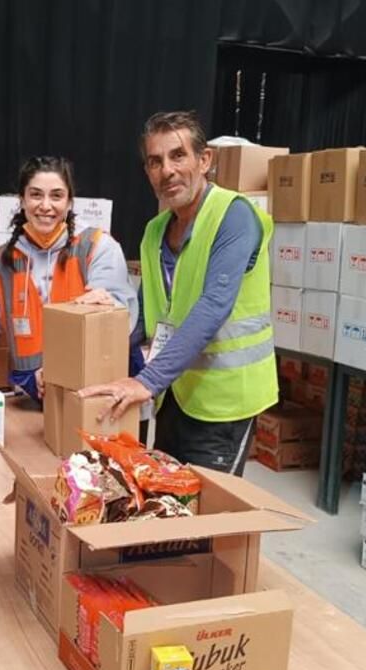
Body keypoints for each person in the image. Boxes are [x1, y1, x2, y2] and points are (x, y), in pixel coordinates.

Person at [81, 110, 277, 475]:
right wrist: (85, 358)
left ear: (204, 161)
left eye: (177, 155)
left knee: (207, 515)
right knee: (167, 501)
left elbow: (214, 305)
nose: (166, 170)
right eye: (155, 161)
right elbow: (144, 315)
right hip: (175, 393)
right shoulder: (155, 232)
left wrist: (146, 381)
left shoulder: (233, 216)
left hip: (225, 402)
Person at [0, 155, 136, 400]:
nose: (46, 205)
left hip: (93, 395)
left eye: (57, 196)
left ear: (70, 202)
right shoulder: (1, 261)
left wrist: (61, 369)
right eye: (36, 195)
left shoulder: (97, 246)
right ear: (22, 200)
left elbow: (115, 316)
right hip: (31, 394)